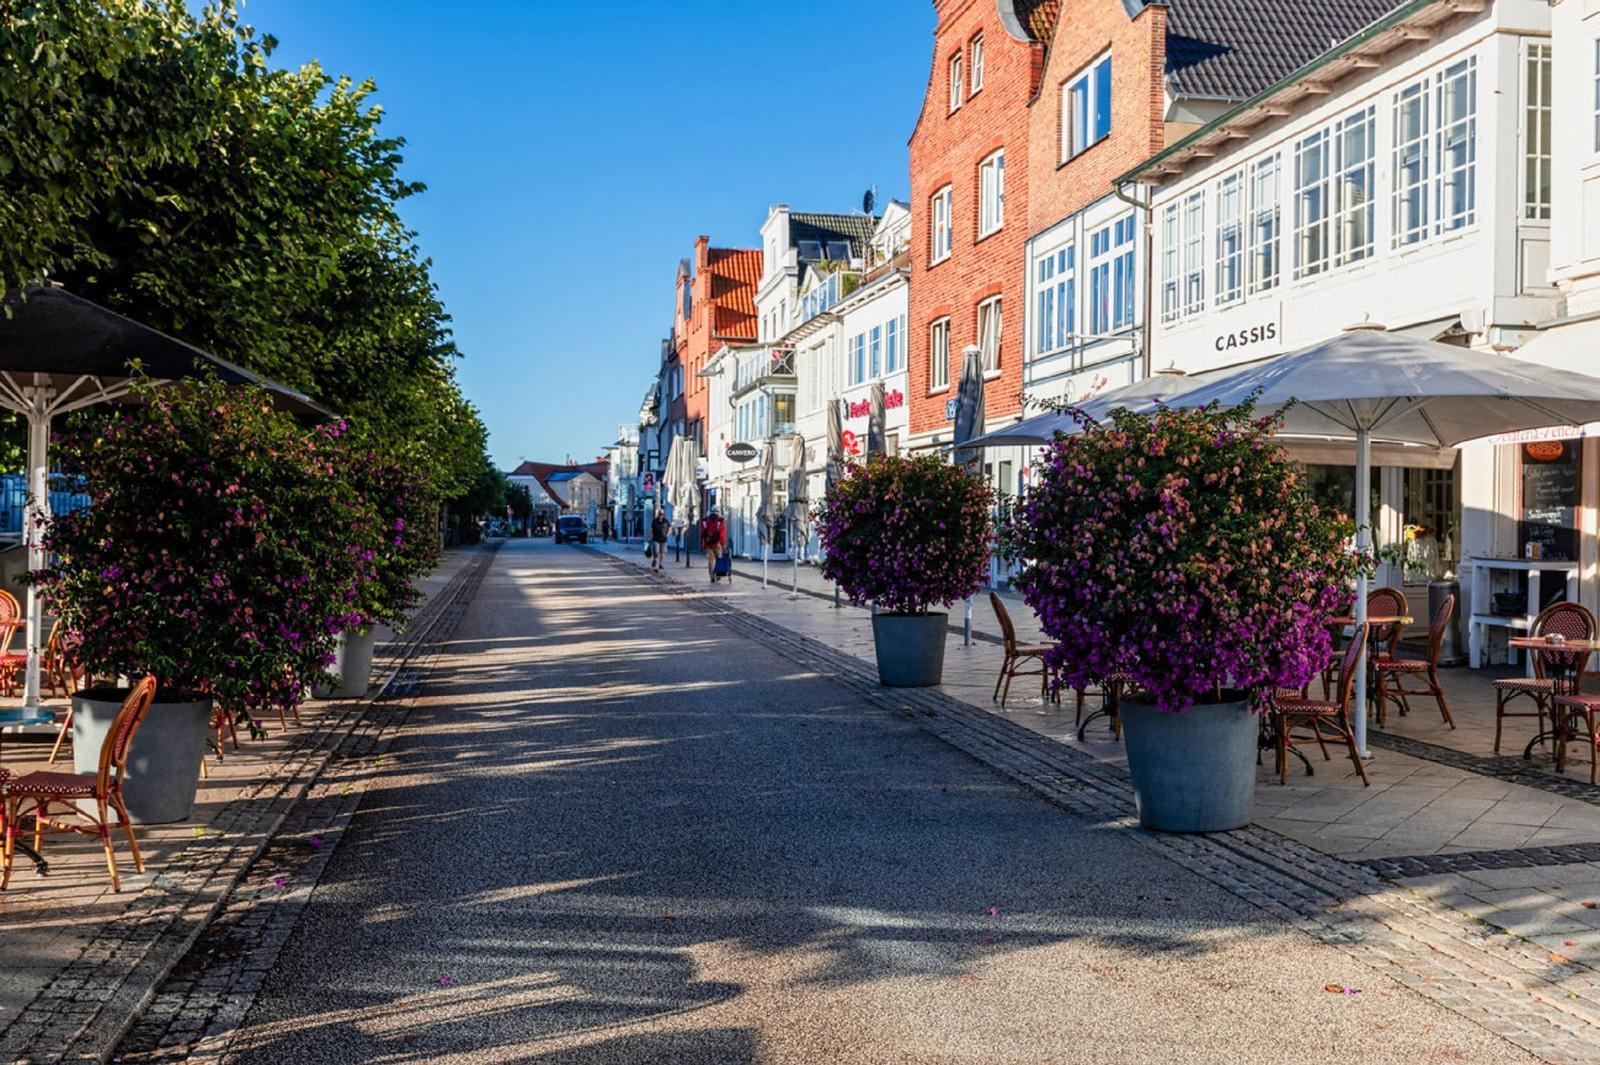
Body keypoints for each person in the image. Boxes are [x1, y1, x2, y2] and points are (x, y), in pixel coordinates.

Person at [699, 507, 727, 583]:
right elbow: (722, 534)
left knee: (710, 561)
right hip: (717, 544)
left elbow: (702, 533)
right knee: (719, 559)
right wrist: (723, 544)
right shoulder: (720, 521)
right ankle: (718, 575)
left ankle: (711, 576)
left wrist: (702, 542)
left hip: (708, 544)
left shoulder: (705, 520)